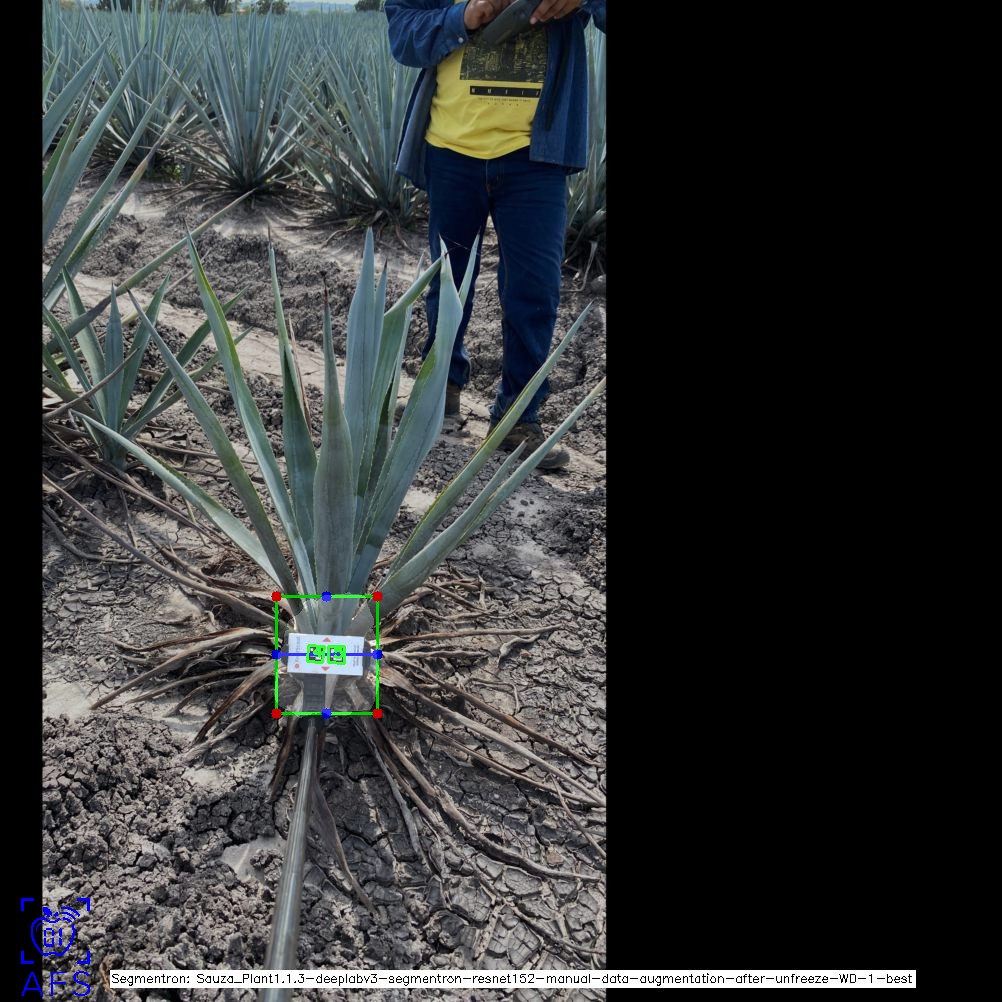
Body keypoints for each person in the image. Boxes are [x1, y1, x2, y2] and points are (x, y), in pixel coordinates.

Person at [386, 0, 607, 470]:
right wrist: (465, 15)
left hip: (537, 155)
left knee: (535, 289)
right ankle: (439, 392)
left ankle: (518, 416)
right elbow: (402, 34)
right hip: (449, 149)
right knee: (447, 282)